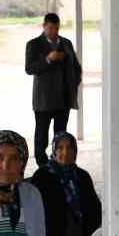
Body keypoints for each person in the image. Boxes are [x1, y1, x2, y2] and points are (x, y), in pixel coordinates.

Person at [23, 12, 82, 167]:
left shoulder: (66, 43)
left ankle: (59, 162)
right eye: (50, 28)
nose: (53, 32)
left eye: (56, 28)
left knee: (61, 134)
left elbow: (76, 67)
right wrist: (48, 59)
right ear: (44, 26)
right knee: (41, 136)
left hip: (63, 99)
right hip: (43, 100)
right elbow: (29, 69)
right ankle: (42, 166)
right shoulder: (33, 44)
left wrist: (73, 85)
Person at [32, 131, 102, 236]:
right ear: (54, 150)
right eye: (60, 148)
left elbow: (94, 207)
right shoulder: (42, 176)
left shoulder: (82, 175)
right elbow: (37, 214)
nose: (65, 152)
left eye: (70, 147)